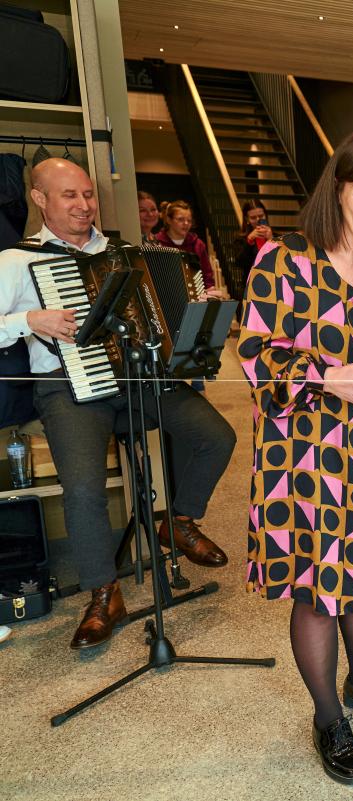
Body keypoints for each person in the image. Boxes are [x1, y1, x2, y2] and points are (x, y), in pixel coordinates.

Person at [237, 129, 353, 785]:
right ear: (338, 190)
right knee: (321, 592)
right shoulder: (282, 262)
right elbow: (257, 357)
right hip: (305, 459)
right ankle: (327, 716)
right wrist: (324, 372)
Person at [0, 158, 235, 651]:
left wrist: (204, 307)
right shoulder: (17, 261)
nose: (84, 205)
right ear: (40, 199)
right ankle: (104, 593)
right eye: (69, 195)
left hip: (141, 378)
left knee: (217, 436)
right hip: (69, 388)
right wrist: (29, 320)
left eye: (88, 194)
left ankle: (178, 520)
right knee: (83, 489)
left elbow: (172, 324)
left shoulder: (129, 254)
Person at [154, 200, 217, 290]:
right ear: (168, 220)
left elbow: (207, 276)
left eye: (189, 220)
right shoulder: (156, 243)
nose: (186, 224)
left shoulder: (198, 244)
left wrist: (210, 290)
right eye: (180, 219)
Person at [234, 198, 273, 295]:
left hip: (274, 284)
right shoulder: (241, 239)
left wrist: (272, 240)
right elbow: (239, 263)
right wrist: (249, 241)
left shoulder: (276, 236)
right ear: (247, 219)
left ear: (266, 215)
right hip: (251, 287)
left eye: (261, 216)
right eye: (253, 217)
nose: (258, 220)